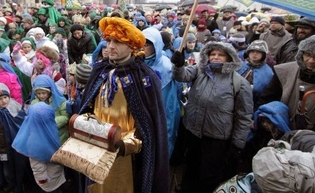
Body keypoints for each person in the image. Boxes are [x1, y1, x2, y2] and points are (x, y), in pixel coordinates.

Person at [78, 17, 169, 192]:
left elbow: (149, 126)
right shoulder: (99, 71)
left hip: (124, 157)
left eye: (118, 41)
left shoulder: (145, 78)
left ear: (132, 46)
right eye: (109, 40)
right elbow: (88, 108)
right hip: (95, 148)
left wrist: (126, 144)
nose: (110, 46)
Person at [170, 41, 253, 193]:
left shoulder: (239, 83)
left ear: (229, 58)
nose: (216, 57)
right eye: (212, 54)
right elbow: (181, 75)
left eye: (221, 55)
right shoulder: (200, 71)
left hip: (217, 139)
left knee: (209, 175)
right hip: (193, 132)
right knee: (191, 168)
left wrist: (237, 144)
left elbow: (244, 116)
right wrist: (178, 65)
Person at [255, 35, 315, 130]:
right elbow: (267, 97)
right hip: (280, 126)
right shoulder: (285, 71)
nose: (311, 61)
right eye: (307, 54)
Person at [0, 82, 29, 192]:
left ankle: (21, 183)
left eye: (5, 97)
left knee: (20, 166)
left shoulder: (16, 108)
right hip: (1, 149)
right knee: (6, 169)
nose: (3, 101)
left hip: (16, 147)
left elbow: (22, 125)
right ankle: (11, 183)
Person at [142, 27, 181, 159]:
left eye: (146, 45)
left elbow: (169, 108)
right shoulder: (138, 63)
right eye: (140, 43)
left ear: (156, 46)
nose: (142, 48)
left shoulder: (165, 67)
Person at [12, 102, 66, 193]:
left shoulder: (44, 129)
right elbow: (37, 165)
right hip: (49, 178)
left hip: (55, 172)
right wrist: (43, 180)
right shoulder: (35, 141)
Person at [30, 74, 69, 145]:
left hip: (58, 134)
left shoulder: (60, 101)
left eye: (44, 93)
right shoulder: (34, 103)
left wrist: (51, 122)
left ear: (50, 91)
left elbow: (65, 116)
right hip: (42, 135)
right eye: (38, 93)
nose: (41, 96)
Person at [237, 40, 274, 105]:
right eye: (252, 51)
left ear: (264, 54)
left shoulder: (268, 72)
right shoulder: (239, 66)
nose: (255, 54)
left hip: (255, 104)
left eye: (258, 52)